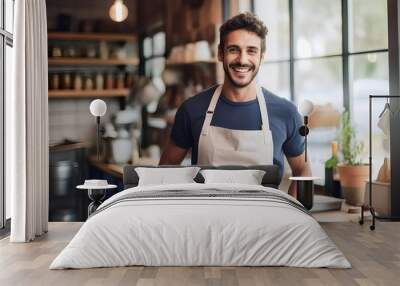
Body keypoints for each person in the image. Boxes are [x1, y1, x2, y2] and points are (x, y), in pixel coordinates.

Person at [159, 12, 311, 198]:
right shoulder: (192, 110)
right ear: (220, 53)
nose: (242, 60)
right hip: (205, 222)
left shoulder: (286, 113)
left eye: (251, 51)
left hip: (267, 223)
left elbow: (302, 170)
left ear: (262, 56)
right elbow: (166, 168)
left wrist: (292, 212)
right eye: (234, 49)